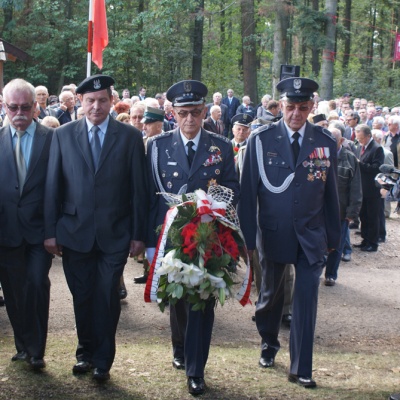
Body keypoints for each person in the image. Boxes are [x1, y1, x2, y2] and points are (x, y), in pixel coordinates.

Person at [238, 77, 341, 388]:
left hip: (311, 236)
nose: (296, 113)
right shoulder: (260, 140)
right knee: (270, 296)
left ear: (311, 107)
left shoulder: (324, 142)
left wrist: (333, 241)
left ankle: (301, 367)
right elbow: (248, 194)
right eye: (290, 106)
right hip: (273, 233)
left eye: (303, 107)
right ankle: (269, 343)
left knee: (306, 301)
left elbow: (332, 196)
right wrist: (248, 239)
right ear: (280, 106)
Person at [44, 74, 148, 381]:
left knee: (106, 296)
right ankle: (84, 353)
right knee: (82, 295)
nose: (96, 106)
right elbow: (53, 187)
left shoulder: (129, 137)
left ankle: (103, 359)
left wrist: (139, 234)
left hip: (114, 233)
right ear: (80, 102)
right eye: (90, 100)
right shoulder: (62, 135)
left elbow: (138, 190)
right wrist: (50, 231)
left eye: (103, 100)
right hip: (74, 233)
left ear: (111, 102)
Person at [146, 80, 239, 395]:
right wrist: (147, 243)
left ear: (204, 112)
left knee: (202, 299)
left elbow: (232, 189)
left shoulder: (221, 147)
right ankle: (180, 346)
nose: (190, 119)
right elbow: (148, 196)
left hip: (208, 237)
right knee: (178, 299)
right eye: (183, 113)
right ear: (173, 112)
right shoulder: (156, 146)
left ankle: (196, 369)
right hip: (169, 238)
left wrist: (212, 206)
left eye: (196, 113)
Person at [0, 78, 53, 370]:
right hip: (6, 232)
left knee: (36, 283)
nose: (19, 113)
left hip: (39, 233)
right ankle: (22, 344)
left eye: (25, 107)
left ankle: (36, 350)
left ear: (36, 106)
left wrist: (55, 231)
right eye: (12, 107)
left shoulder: (52, 139)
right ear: (4, 106)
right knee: (13, 290)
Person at [324, 128, 362, 286]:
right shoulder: (319, 155)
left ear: (341, 141)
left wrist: (352, 212)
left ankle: (331, 274)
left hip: (340, 211)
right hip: (320, 210)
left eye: (333, 141)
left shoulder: (350, 159)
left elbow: (356, 188)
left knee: (336, 244)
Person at [353, 124, 384, 252]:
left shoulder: (377, 149)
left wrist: (360, 164)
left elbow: (377, 168)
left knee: (372, 217)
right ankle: (365, 239)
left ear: (368, 136)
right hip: (362, 188)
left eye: (361, 139)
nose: (360, 141)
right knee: (364, 215)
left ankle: (373, 242)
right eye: (358, 139)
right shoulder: (361, 147)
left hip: (372, 189)